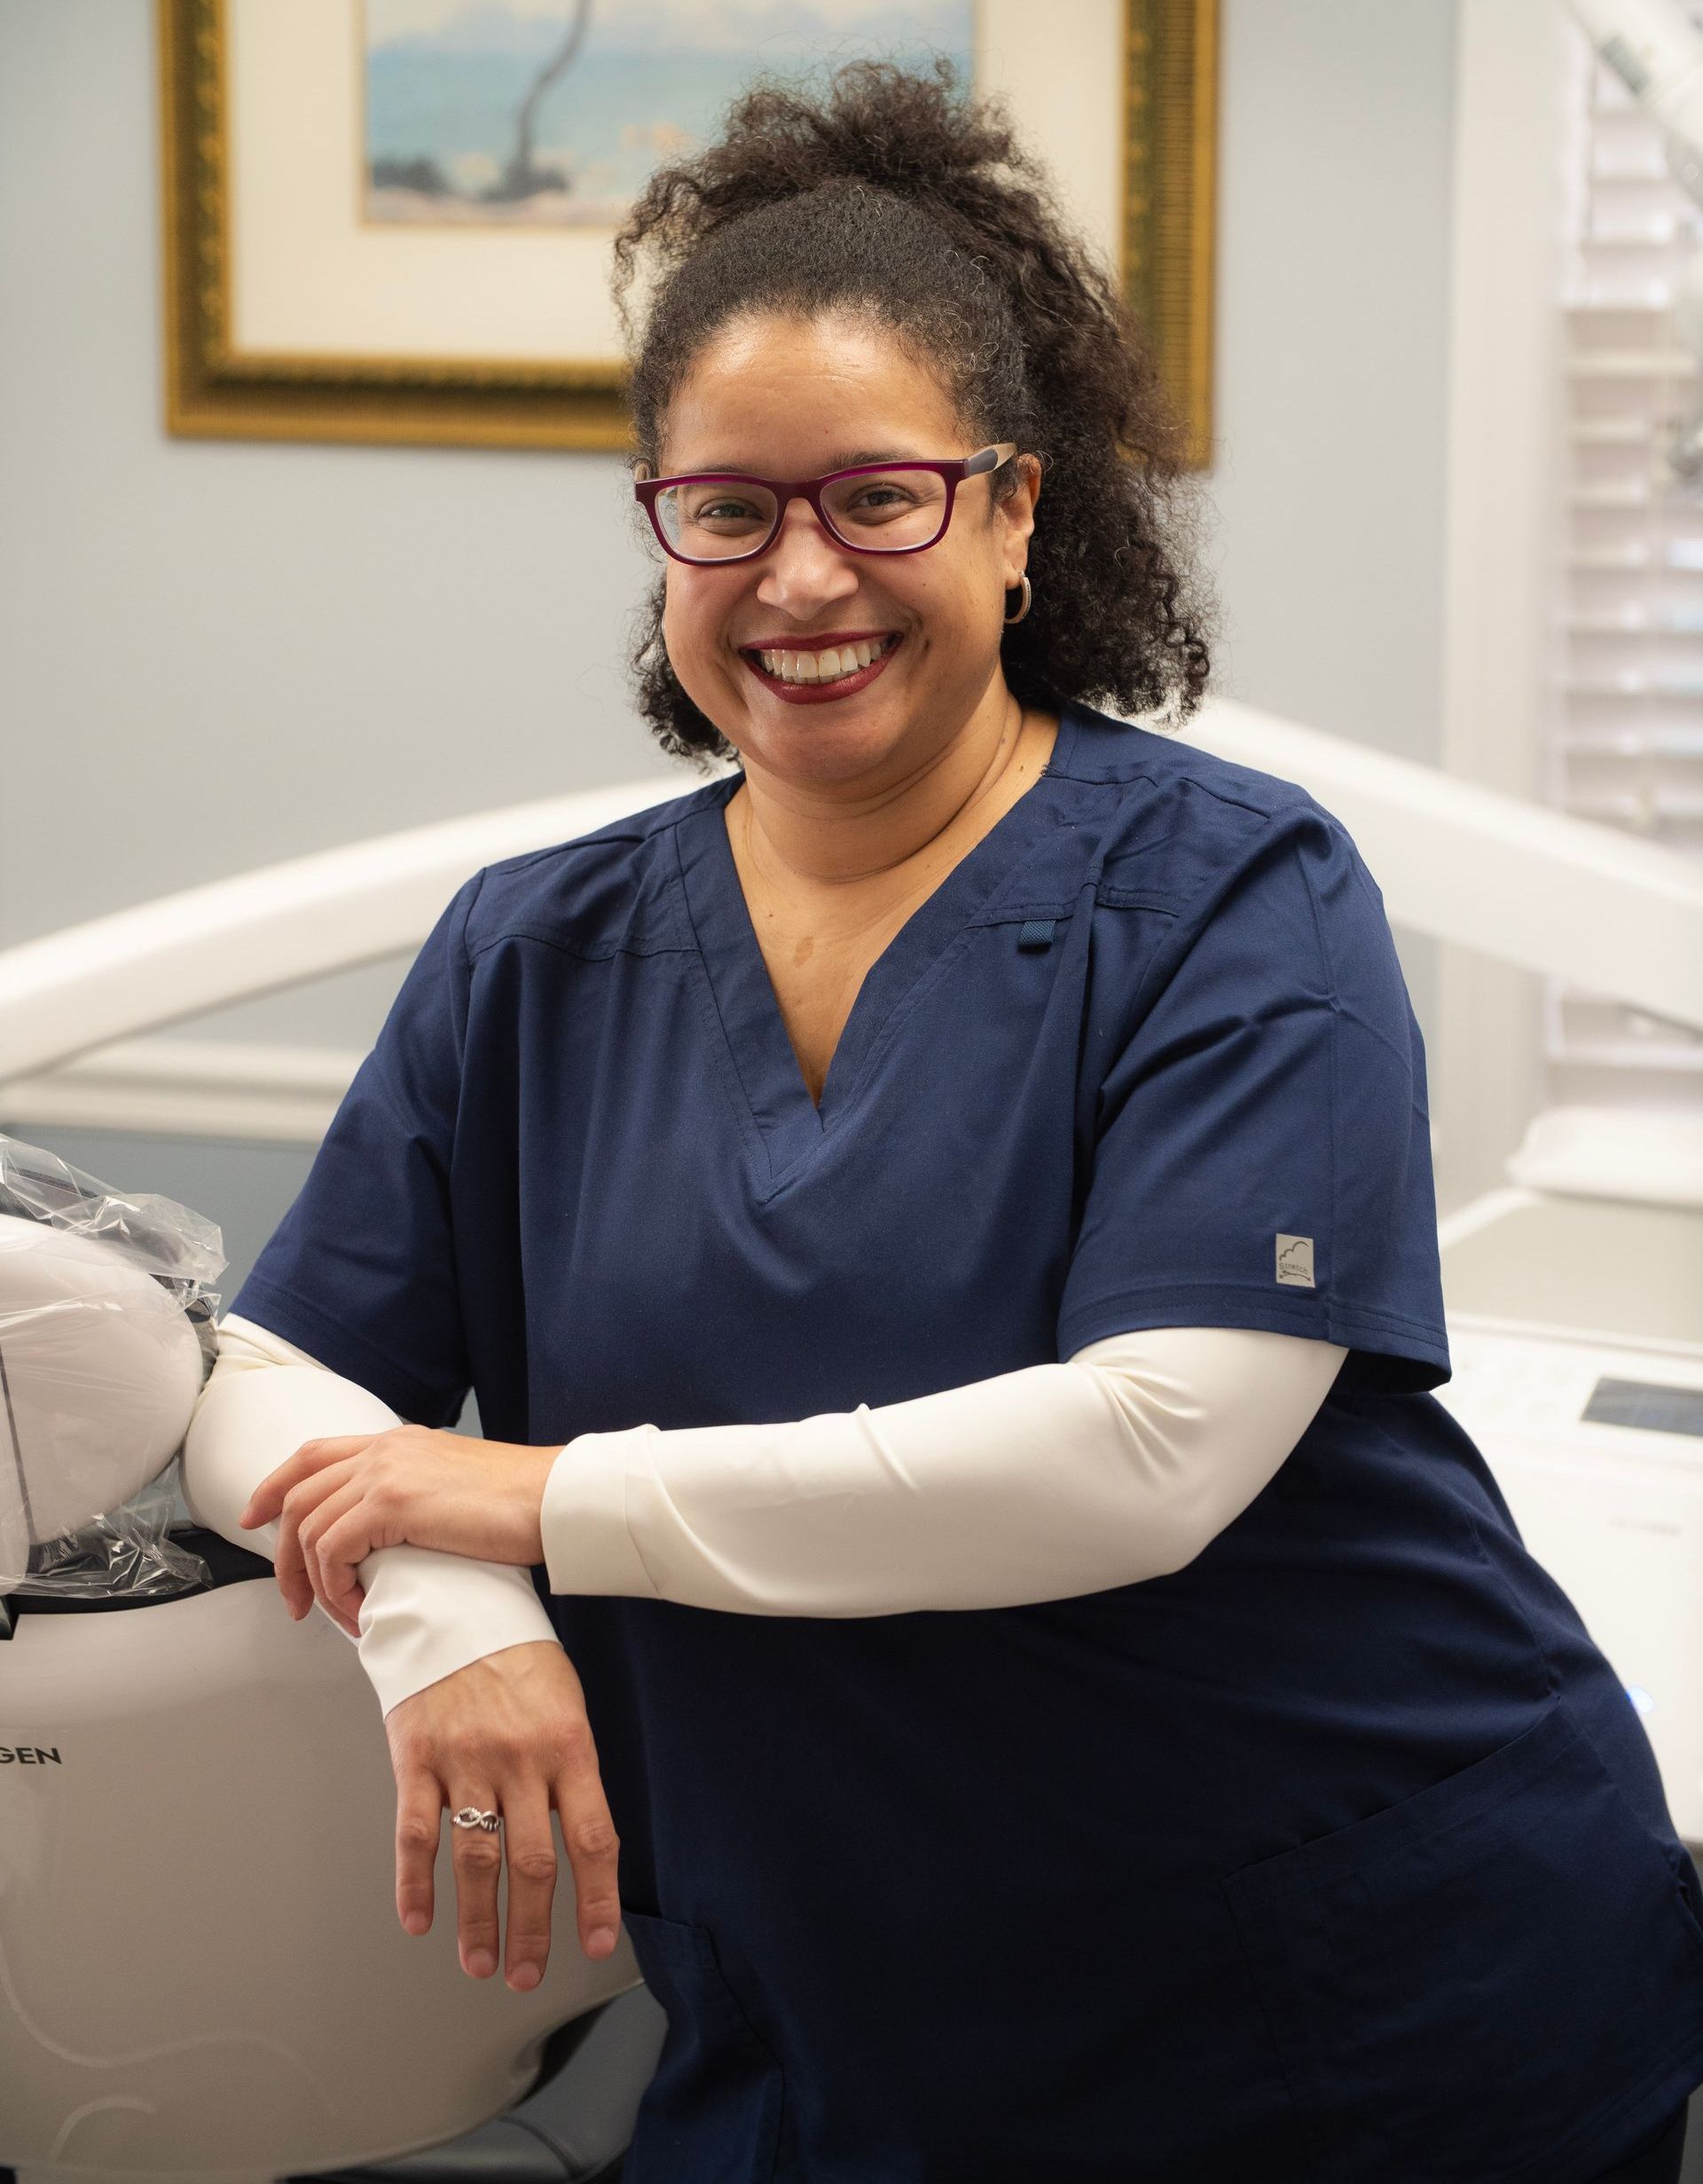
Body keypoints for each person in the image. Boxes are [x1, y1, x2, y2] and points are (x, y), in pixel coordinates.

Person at [194, 60, 1703, 2184]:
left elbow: (1147, 1455)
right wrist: (454, 1614)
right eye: (729, 509)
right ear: (661, 535)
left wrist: (531, 1498)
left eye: (880, 497)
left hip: (1340, 2020)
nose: (801, 575)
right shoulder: (533, 950)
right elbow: (259, 1379)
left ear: (1014, 514)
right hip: (835, 2033)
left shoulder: (1234, 896)